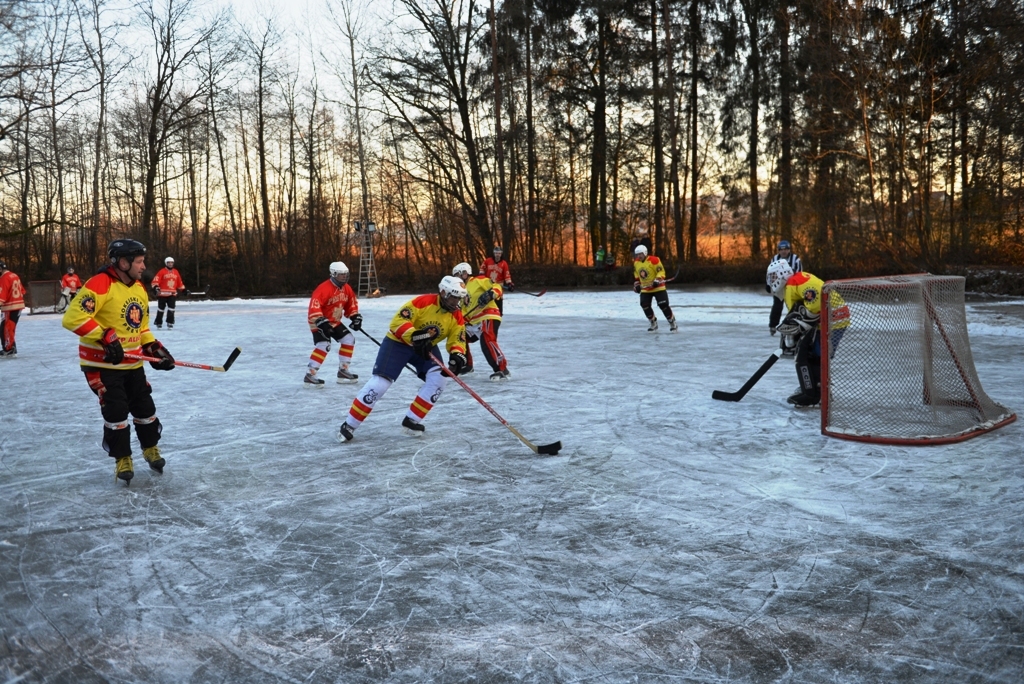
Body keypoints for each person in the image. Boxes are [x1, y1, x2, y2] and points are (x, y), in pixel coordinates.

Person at [62, 239, 175, 484]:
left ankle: (150, 448)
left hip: (133, 365)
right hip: (102, 366)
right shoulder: (100, 283)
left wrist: (153, 347)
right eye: (139, 262)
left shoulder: (138, 287)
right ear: (123, 263)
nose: (143, 266)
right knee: (116, 411)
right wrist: (104, 336)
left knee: (145, 408)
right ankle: (122, 458)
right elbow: (73, 318)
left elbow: (141, 327)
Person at [339, 276, 468, 442]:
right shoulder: (423, 302)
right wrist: (415, 336)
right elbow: (398, 321)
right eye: (453, 297)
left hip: (425, 348)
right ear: (443, 292)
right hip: (398, 343)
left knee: (439, 379)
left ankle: (412, 420)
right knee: (380, 383)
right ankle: (349, 424)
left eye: (459, 298)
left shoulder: (456, 315)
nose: (456, 302)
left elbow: (458, 339)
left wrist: (457, 355)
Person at [766, 260, 849, 407]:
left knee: (816, 355)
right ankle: (814, 388)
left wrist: (800, 323)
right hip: (828, 320)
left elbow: (815, 303)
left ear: (782, 273)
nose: (772, 280)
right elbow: (801, 309)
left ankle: (817, 393)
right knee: (812, 354)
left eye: (773, 276)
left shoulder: (796, 281)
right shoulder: (791, 285)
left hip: (833, 319)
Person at [305, 261, 363, 386]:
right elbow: (314, 307)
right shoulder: (323, 289)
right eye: (341, 274)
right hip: (318, 322)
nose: (344, 277)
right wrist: (320, 321)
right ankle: (310, 374)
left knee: (348, 339)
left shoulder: (346, 288)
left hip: (334, 321)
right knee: (324, 345)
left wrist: (354, 317)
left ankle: (343, 370)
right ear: (333, 274)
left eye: (346, 274)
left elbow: (351, 304)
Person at [453, 262, 508, 380]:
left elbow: (497, 287)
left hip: (488, 315)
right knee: (459, 336)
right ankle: (467, 365)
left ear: (465, 273)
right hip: (474, 322)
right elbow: (464, 313)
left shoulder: (478, 280)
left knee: (487, 341)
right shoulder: (461, 292)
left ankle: (502, 369)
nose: (456, 278)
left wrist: (490, 294)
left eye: (458, 274)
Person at [767, 240, 803, 355]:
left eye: (786, 249)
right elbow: (770, 273)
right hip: (779, 286)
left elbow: (799, 273)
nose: (783, 251)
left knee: (793, 307)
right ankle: (773, 325)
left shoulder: (795, 259)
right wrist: (768, 284)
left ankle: (793, 326)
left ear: (789, 250)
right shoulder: (774, 259)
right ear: (778, 250)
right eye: (781, 249)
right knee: (777, 305)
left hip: (792, 286)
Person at [632, 245, 677, 332]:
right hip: (646, 288)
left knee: (663, 305)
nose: (639, 256)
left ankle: (672, 322)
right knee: (644, 305)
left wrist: (657, 280)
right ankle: (653, 322)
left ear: (645, 253)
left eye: (640, 254)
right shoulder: (636, 263)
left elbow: (661, 271)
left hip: (658, 287)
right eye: (637, 254)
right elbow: (637, 276)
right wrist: (637, 285)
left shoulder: (654, 260)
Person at [150, 256, 186, 328]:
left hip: (172, 294)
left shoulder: (176, 272)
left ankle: (170, 322)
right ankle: (158, 322)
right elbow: (156, 280)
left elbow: (179, 282)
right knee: (161, 309)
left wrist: (183, 290)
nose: (170, 264)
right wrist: (156, 287)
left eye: (171, 263)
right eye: (168, 263)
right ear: (166, 263)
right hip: (162, 294)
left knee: (171, 308)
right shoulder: (162, 271)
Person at [0, 260, 26, 357]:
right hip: (18, 305)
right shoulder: (14, 275)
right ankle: (11, 347)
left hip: (10, 307)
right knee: (10, 327)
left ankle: (9, 349)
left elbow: (2, 296)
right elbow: (22, 291)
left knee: (6, 328)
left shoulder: (4, 278)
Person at [479, 246, 513, 313]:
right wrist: (481, 275)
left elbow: (507, 275)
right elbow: (482, 268)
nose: (498, 255)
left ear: (501, 254)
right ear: (494, 253)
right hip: (488, 285)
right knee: (488, 301)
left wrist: (509, 283)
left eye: (499, 253)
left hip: (498, 286)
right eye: (496, 253)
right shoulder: (488, 261)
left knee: (498, 302)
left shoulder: (504, 264)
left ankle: (499, 314)